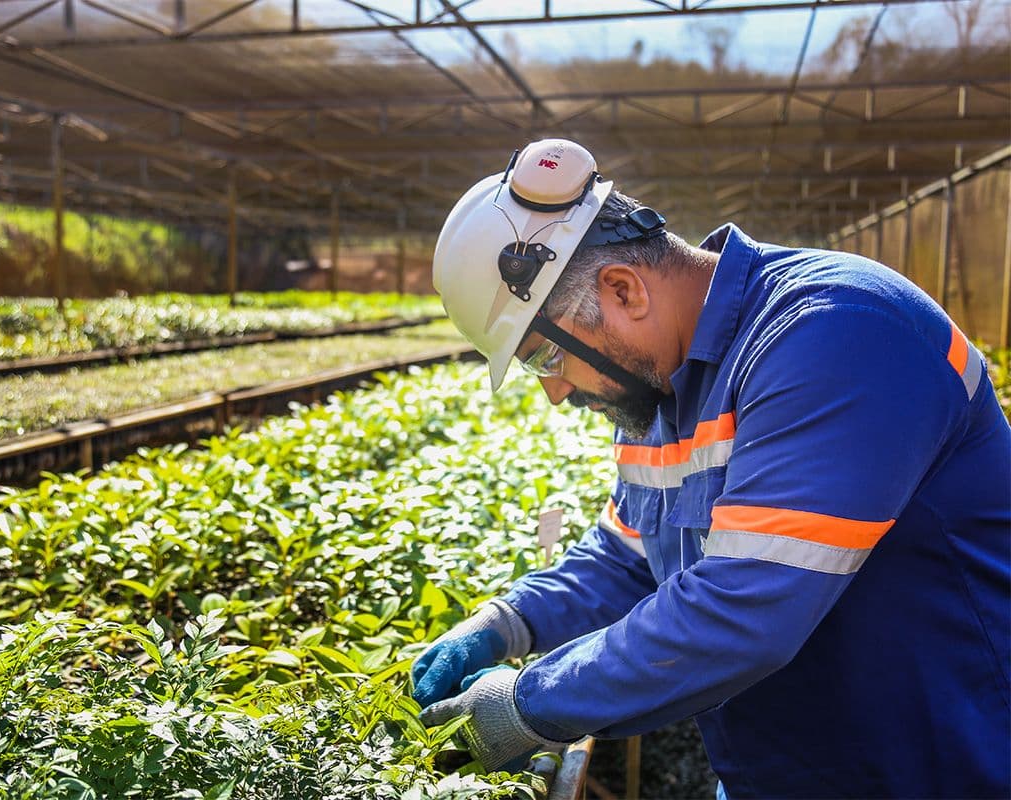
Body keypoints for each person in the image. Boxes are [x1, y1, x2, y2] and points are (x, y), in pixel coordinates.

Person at [415, 138, 1011, 798]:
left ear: (622, 290)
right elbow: (628, 557)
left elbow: (741, 612)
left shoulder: (837, 333)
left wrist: (528, 705)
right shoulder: (662, 396)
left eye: (543, 359)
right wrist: (508, 621)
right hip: (782, 771)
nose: (555, 391)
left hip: (943, 768)